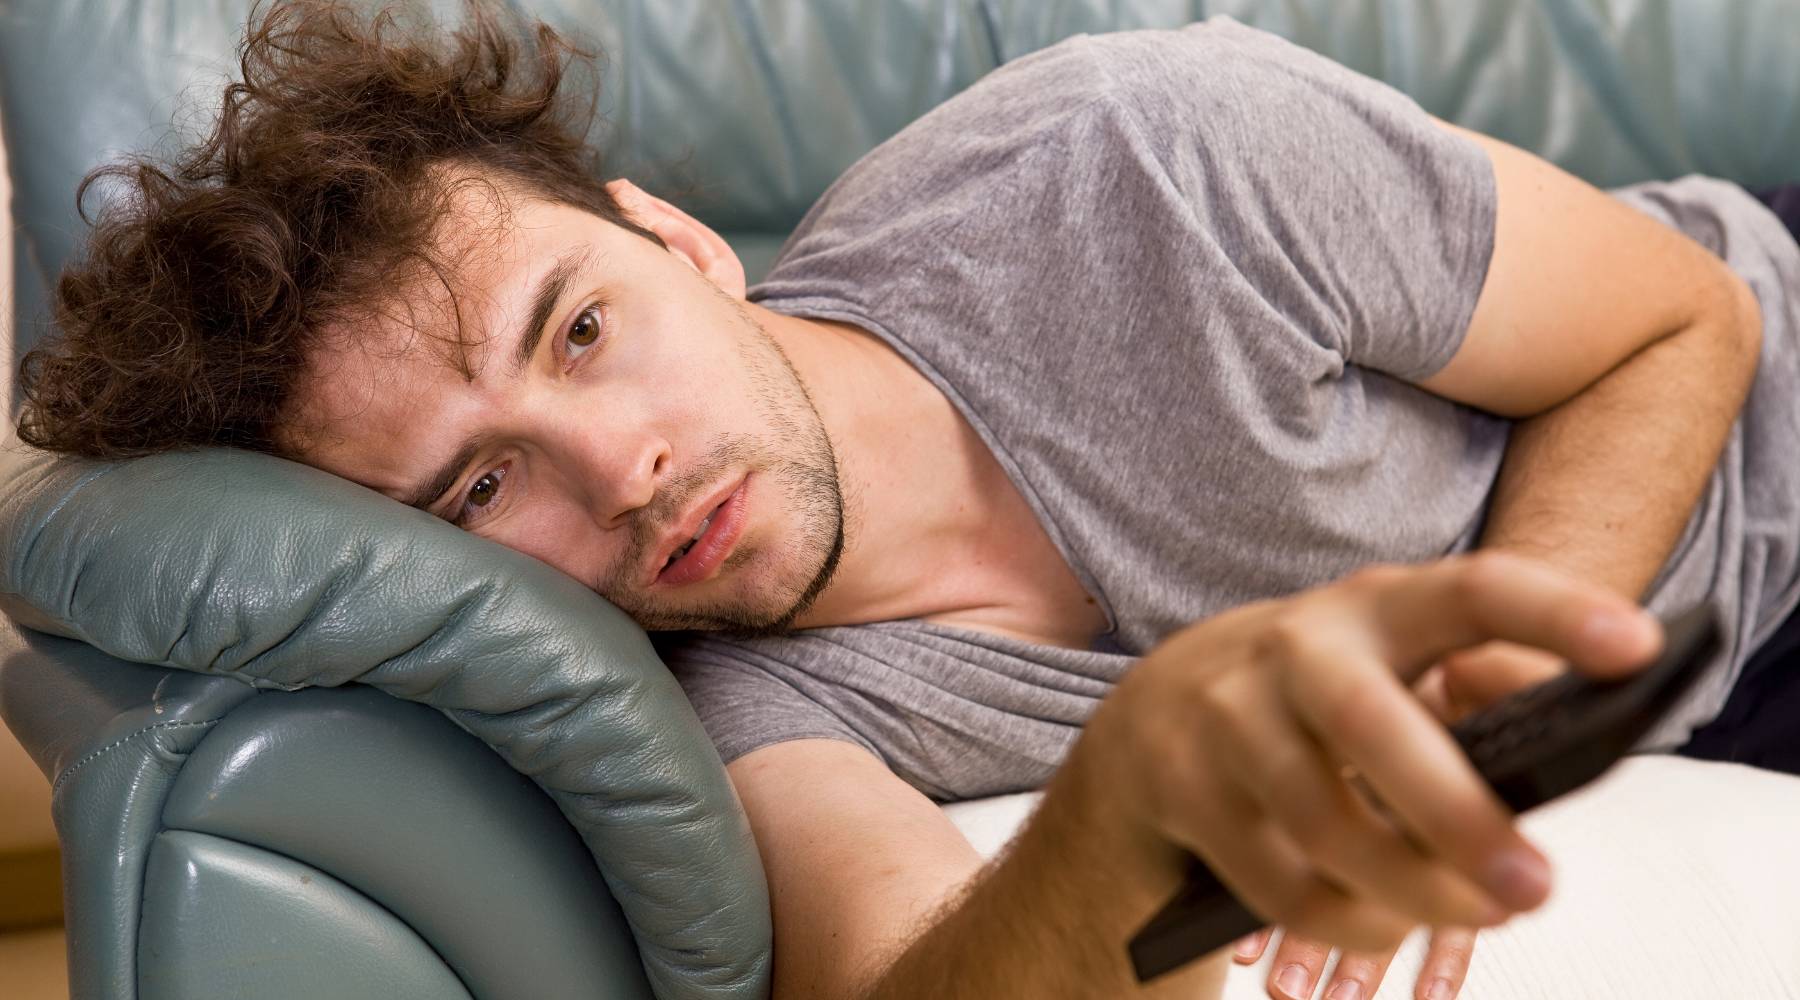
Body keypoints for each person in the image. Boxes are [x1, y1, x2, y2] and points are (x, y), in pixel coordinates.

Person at [15, 3, 1800, 998]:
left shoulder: (1145, 158)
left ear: (680, 240)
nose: (622, 471)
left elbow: (1678, 316)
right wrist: (1120, 813)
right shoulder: (735, 708)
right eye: (482, 486)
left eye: (581, 330)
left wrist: (1478, 725)